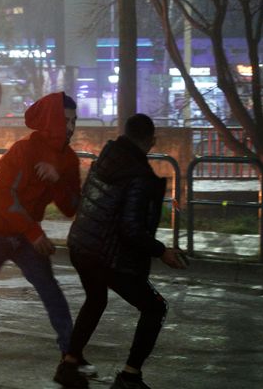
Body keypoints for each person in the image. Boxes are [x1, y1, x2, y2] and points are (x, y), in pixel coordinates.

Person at [0, 92, 88, 389]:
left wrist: (57, 178)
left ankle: (71, 355)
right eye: (65, 120)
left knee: (51, 291)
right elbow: (1, 195)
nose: (70, 128)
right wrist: (34, 233)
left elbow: (71, 206)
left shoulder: (68, 160)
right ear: (50, 121)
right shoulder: (21, 151)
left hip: (24, 236)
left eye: (74, 121)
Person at [65, 113, 187, 389]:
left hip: (82, 245)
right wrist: (161, 251)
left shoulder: (104, 159)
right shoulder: (139, 176)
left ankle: (69, 363)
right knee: (155, 307)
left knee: (96, 299)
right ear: (151, 141)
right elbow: (131, 229)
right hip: (106, 255)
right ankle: (130, 376)